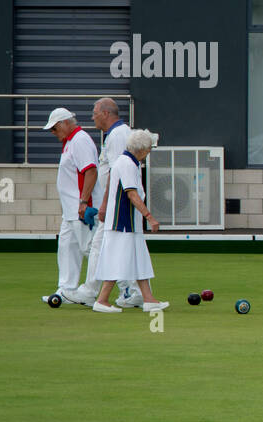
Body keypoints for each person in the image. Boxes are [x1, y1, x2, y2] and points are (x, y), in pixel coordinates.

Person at [72, 98, 141, 308]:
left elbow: (117, 172)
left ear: (105, 113)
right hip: (114, 203)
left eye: (94, 113)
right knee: (114, 247)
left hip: (115, 204)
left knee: (100, 246)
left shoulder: (118, 135)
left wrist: (104, 204)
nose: (92, 117)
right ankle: (131, 291)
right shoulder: (115, 134)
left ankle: (90, 291)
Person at [92, 129, 169, 313]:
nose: (149, 152)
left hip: (129, 223)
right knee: (117, 260)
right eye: (149, 148)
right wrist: (149, 217)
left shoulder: (127, 162)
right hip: (122, 223)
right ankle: (102, 300)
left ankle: (149, 299)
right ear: (142, 149)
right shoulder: (127, 163)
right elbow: (132, 193)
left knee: (139, 259)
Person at [42, 108, 98, 306]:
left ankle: (93, 292)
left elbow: (90, 171)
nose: (53, 133)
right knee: (67, 248)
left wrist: (83, 202)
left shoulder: (80, 140)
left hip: (80, 208)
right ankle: (66, 290)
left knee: (90, 249)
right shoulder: (70, 142)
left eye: (55, 128)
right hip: (70, 210)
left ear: (65, 123)